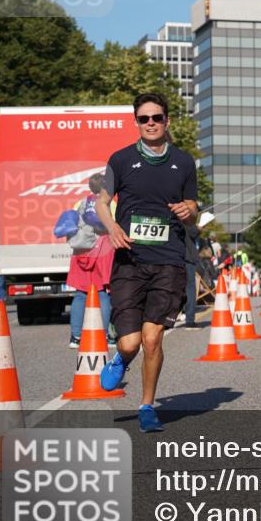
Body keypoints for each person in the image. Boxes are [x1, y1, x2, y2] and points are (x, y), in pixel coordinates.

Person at [96, 92, 198, 433]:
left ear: (167, 121)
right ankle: (121, 359)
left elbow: (193, 206)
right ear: (136, 123)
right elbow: (102, 201)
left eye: (157, 117)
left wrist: (189, 210)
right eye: (144, 118)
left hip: (169, 261)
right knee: (131, 343)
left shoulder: (183, 162)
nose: (151, 123)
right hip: (129, 260)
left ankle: (146, 405)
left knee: (153, 339)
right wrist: (112, 228)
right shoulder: (121, 160)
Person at [67, 173, 116, 347]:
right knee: (103, 294)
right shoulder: (110, 203)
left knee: (80, 294)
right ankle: (102, 336)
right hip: (102, 252)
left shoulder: (79, 203)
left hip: (81, 252)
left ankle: (76, 337)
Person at [181, 223, 201, 329]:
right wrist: (199, 228)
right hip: (187, 258)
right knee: (190, 288)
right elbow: (193, 232)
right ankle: (189, 319)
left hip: (171, 256)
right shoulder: (186, 218)